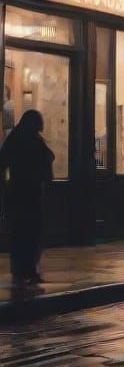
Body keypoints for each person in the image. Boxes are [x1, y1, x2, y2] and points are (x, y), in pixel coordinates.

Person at [0, 110, 54, 286]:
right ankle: (30, 268)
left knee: (19, 232)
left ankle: (19, 269)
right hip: (31, 192)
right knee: (32, 232)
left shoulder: (15, 137)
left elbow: (3, 160)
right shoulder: (34, 140)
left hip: (17, 191)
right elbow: (47, 159)